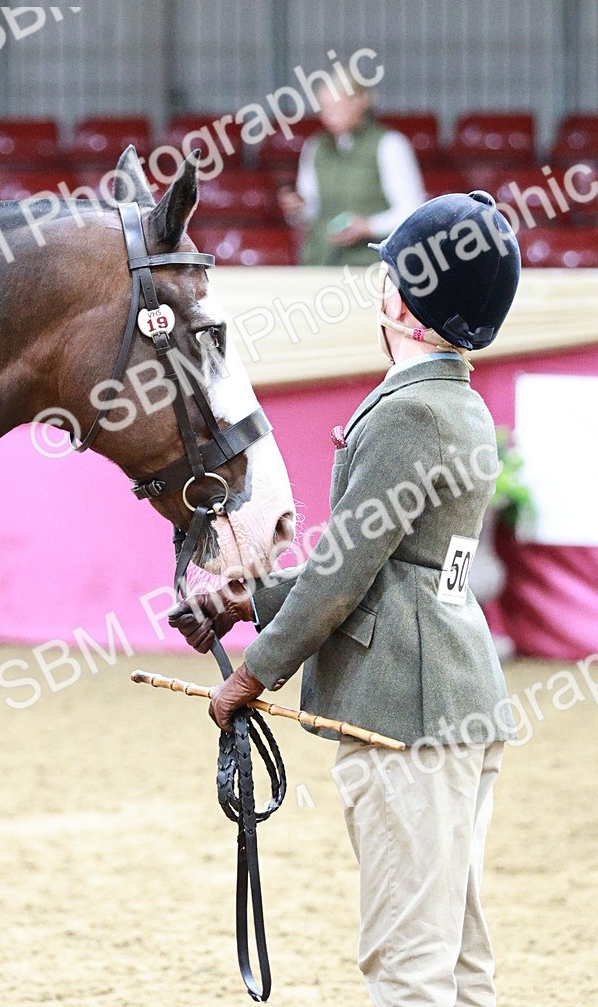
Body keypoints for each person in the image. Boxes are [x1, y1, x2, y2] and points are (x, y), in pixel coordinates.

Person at [170, 190, 521, 1007]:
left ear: (401, 299)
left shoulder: (409, 413)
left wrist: (252, 673)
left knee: (406, 969)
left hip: (406, 718)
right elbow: (386, 567)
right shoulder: (457, 403)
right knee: (457, 962)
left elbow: (346, 573)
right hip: (454, 704)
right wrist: (248, 600)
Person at [279, 72, 426, 266]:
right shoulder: (315, 147)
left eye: (337, 106)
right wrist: (298, 208)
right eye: (324, 108)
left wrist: (367, 227)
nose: (329, 114)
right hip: (319, 263)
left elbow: (411, 212)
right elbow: (311, 212)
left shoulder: (390, 145)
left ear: (360, 101)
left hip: (372, 267)